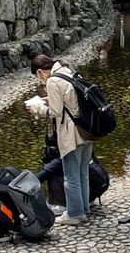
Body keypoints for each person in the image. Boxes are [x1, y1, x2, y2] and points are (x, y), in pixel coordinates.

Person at [29, 52, 93, 226]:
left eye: (38, 77)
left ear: (41, 72)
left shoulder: (52, 80)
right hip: (86, 129)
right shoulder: (66, 71)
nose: (40, 80)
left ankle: (74, 214)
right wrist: (49, 99)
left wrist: (37, 108)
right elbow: (69, 97)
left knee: (70, 176)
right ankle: (84, 208)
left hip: (71, 134)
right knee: (83, 173)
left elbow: (56, 113)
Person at [0, 154, 55, 244]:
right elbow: (4, 187)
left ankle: (2, 233)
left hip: (32, 230)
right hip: (47, 220)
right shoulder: (10, 170)